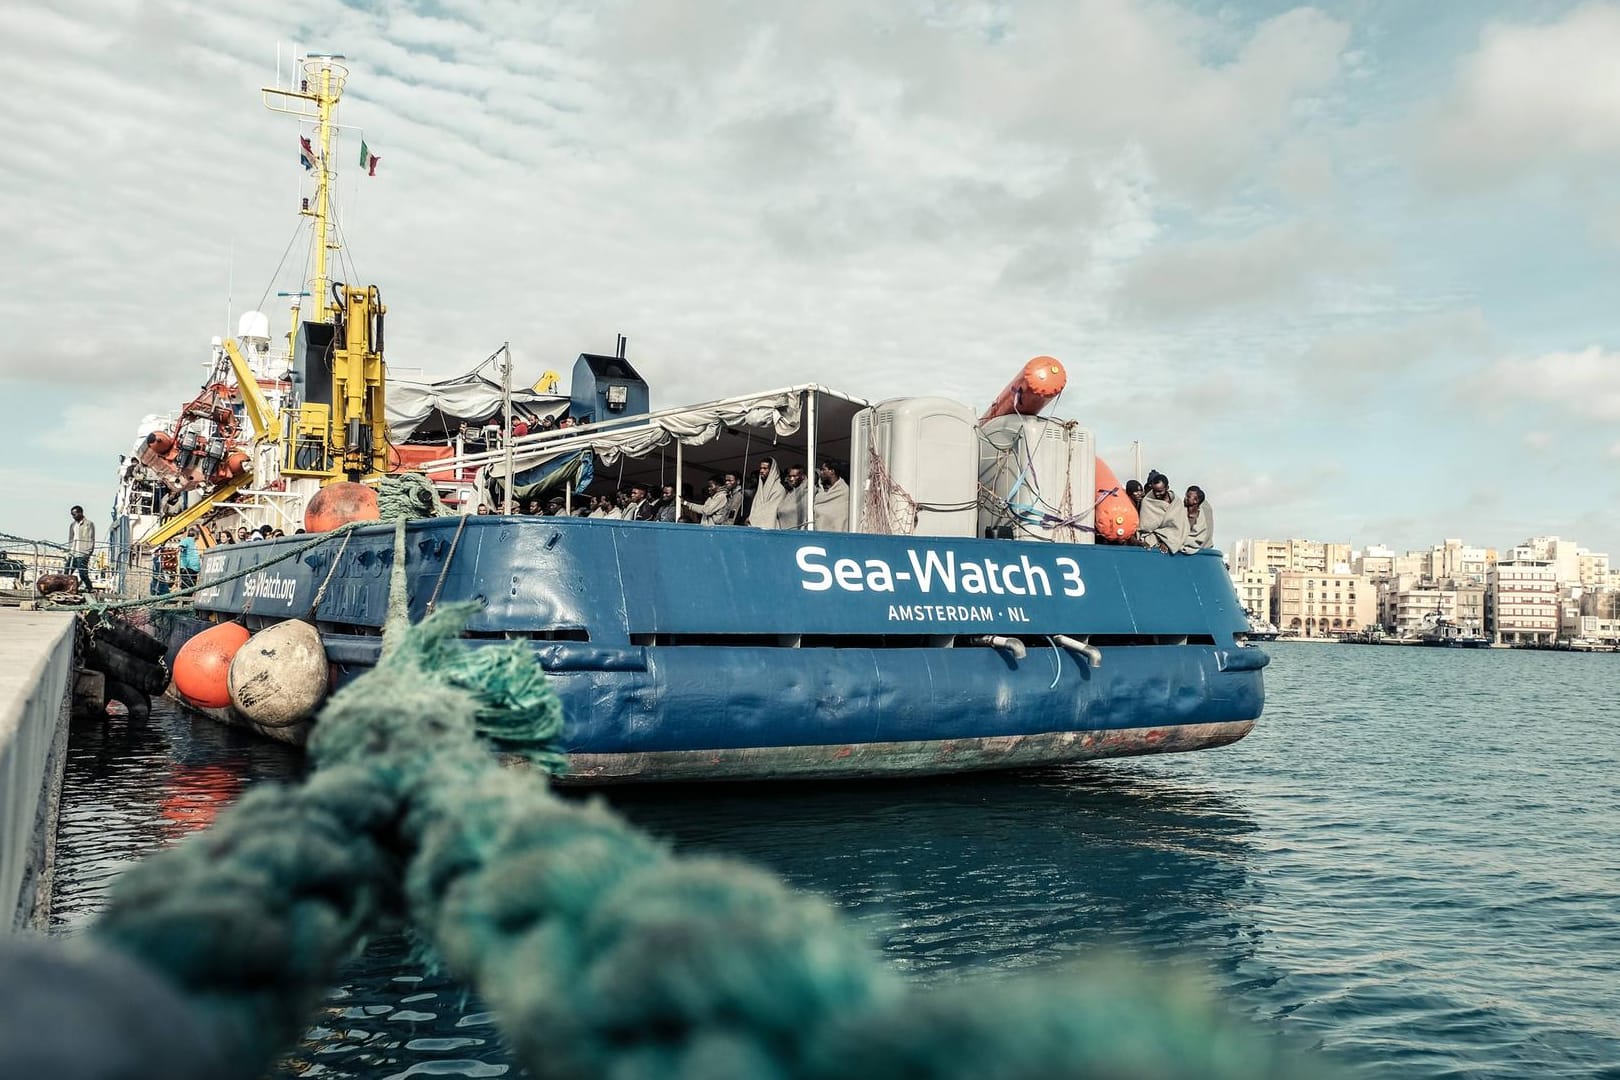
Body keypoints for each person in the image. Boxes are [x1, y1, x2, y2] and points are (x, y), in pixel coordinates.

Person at [1136, 470, 1189, 554]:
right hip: (1154, 537)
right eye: (1154, 490)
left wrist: (1168, 542)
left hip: (1174, 536)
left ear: (1167, 488)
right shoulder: (1147, 501)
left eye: (1160, 491)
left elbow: (1181, 526)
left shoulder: (1176, 502)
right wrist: (1160, 539)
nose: (1157, 494)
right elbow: (1145, 527)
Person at [747, 458, 787, 528]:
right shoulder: (760, 489)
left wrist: (751, 518)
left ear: (772, 470)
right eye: (761, 468)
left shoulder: (779, 489)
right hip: (755, 527)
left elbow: (770, 511)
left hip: (771, 529)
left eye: (765, 468)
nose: (761, 471)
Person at [814, 460, 850, 532]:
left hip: (838, 535)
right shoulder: (819, 491)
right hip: (819, 536)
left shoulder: (844, 491)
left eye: (823, 470)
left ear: (832, 471)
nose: (821, 473)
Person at [66, 505, 95, 590]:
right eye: (72, 515)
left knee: (82, 573)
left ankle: (89, 588)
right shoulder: (72, 525)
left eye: (74, 514)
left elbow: (91, 538)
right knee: (67, 571)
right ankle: (66, 588)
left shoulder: (89, 524)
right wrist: (70, 549)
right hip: (73, 552)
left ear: (80, 513)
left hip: (83, 552)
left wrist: (88, 551)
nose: (73, 517)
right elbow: (71, 538)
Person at [1182, 485, 1214, 552]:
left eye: (1188, 496)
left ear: (1196, 500)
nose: (1185, 498)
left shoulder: (1204, 509)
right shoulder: (1206, 507)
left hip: (1201, 550)